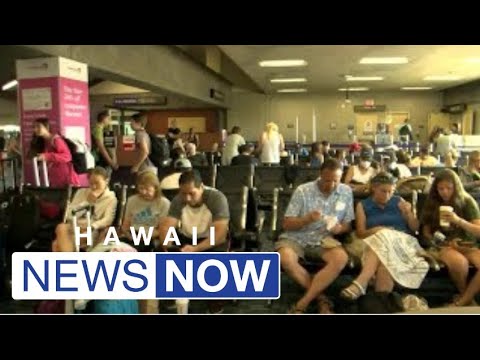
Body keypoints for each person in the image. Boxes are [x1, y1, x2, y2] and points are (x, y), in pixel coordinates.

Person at [276, 159, 353, 314]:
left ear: (341, 178)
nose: (331, 185)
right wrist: (307, 219)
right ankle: (321, 299)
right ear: (320, 175)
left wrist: (340, 229)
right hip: (295, 237)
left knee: (340, 258)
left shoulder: (345, 192)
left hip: (324, 239)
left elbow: (348, 224)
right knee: (284, 258)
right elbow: (287, 224)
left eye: (336, 181)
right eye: (327, 180)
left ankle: (304, 302)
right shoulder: (303, 191)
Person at [340, 173, 428, 300]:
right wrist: (377, 230)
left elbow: (415, 229)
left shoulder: (399, 201)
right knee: (384, 266)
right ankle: (382, 305)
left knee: (383, 237)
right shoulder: (363, 205)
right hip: (373, 242)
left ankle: (361, 282)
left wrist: (408, 213)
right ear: (374, 188)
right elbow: (360, 233)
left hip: (402, 243)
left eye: (390, 191)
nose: (387, 195)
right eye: (383, 191)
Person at [158, 170, 230, 313]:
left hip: (212, 240)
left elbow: (220, 234)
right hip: (188, 237)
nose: (188, 198)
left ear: (201, 187)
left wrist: (196, 249)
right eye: (184, 194)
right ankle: (174, 299)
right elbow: (167, 225)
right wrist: (167, 244)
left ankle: (215, 305)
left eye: (192, 193)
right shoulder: (179, 200)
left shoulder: (216, 198)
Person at [421, 169, 480, 306]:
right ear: (436, 189)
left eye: (449, 188)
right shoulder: (432, 203)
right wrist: (441, 242)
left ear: (456, 187)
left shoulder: (467, 201)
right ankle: (468, 300)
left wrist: (458, 221)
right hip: (444, 246)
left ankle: (464, 300)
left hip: (468, 245)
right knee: (460, 263)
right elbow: (426, 233)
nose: (445, 192)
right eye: (441, 188)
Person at [52, 167, 118, 252]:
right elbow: (69, 214)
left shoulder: (111, 198)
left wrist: (93, 226)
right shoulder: (81, 192)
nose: (94, 187)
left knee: (56, 245)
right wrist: (87, 202)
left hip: (91, 228)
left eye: (97, 183)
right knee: (61, 227)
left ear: (106, 181)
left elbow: (108, 219)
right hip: (74, 226)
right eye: (91, 183)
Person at [32, 117, 80, 187]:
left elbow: (67, 157)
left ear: (47, 127)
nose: (35, 129)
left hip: (67, 178)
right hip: (55, 178)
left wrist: (46, 156)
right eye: (34, 127)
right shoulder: (43, 142)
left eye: (38, 126)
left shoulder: (56, 139)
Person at [92, 111, 118, 176]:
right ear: (104, 119)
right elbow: (101, 147)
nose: (110, 121)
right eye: (109, 118)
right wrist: (111, 162)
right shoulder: (98, 129)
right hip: (99, 159)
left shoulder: (102, 129)